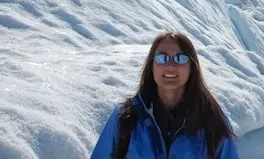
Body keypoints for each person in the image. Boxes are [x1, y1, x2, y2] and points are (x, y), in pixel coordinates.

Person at [91, 32, 239, 158]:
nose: (170, 66)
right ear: (152, 65)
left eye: (180, 58)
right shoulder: (125, 118)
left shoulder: (212, 122)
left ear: (192, 67)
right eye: (162, 58)